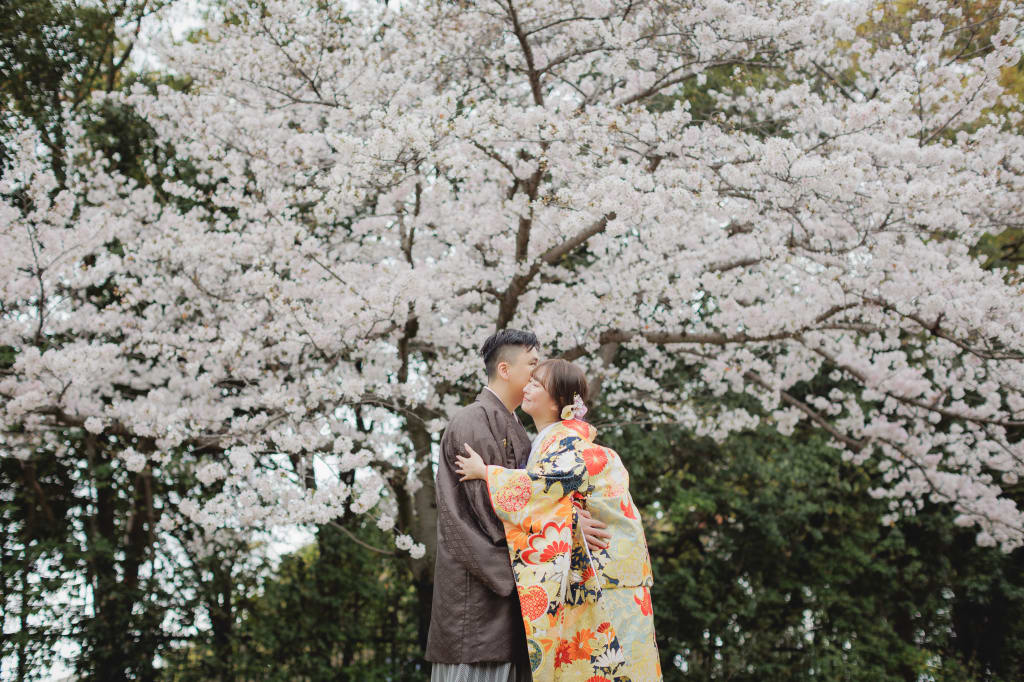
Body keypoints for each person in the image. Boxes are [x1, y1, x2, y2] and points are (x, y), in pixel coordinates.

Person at [455, 358, 661, 681]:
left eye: (538, 383)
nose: (528, 386)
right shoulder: (552, 441)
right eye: (531, 380)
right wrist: (573, 516)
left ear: (559, 403)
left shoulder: (565, 441)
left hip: (607, 579)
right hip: (605, 575)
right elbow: (556, 496)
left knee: (615, 664)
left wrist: (486, 473)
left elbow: (543, 490)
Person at [426, 331, 612, 682]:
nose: (538, 372)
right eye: (532, 364)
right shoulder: (472, 422)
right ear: (505, 369)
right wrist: (566, 530)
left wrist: (570, 520)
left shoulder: (516, 428)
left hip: (512, 606)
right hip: (478, 608)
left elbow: (532, 499)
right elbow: (492, 515)